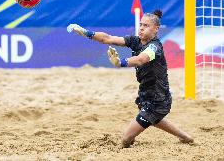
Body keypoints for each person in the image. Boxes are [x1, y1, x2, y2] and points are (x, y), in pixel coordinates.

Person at [67, 9, 194, 148]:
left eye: (146, 26)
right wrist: (86, 32)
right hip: (146, 94)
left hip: (158, 100)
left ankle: (134, 139)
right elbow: (107, 38)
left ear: (156, 29)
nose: (141, 28)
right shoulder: (136, 41)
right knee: (155, 120)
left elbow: (140, 59)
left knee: (126, 139)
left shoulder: (154, 47)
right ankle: (185, 137)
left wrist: (120, 62)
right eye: (141, 25)